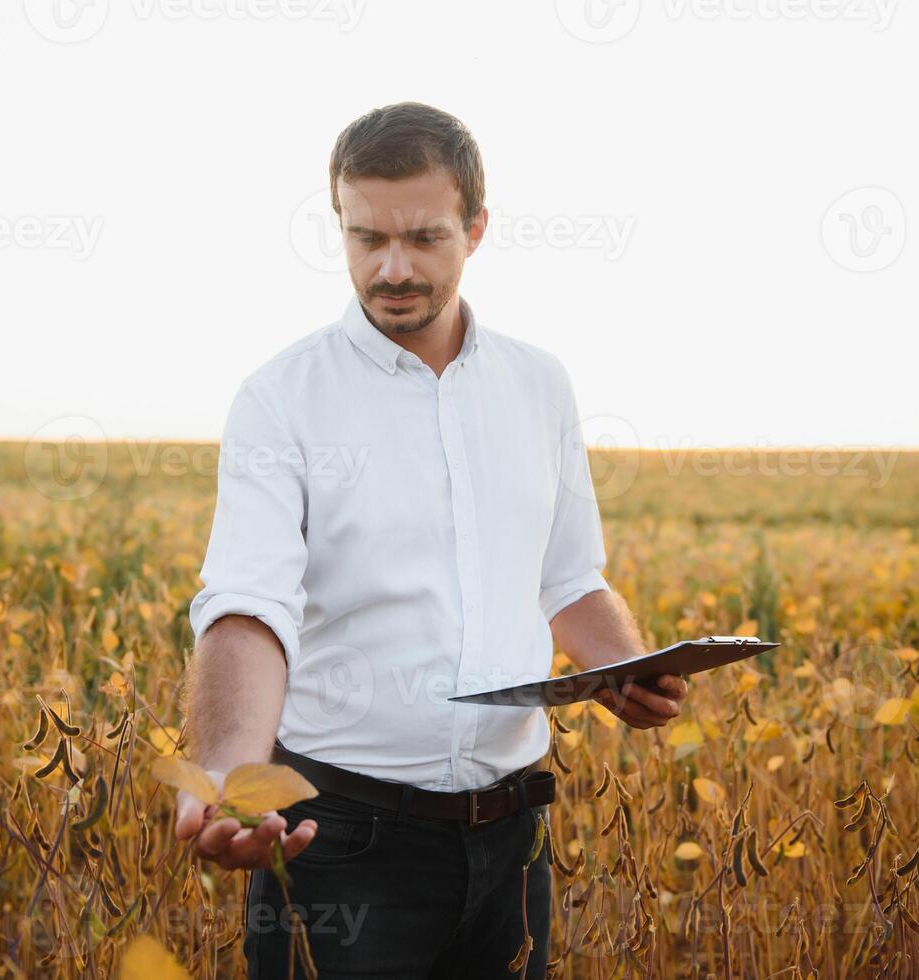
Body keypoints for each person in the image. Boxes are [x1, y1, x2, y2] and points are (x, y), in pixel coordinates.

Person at [175, 101, 689, 978]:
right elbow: (247, 610)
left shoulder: (539, 384)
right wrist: (225, 779)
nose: (392, 267)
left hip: (514, 837)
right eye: (365, 237)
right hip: (338, 839)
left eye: (423, 237)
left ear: (477, 228)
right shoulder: (280, 399)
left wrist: (625, 667)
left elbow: (568, 575)